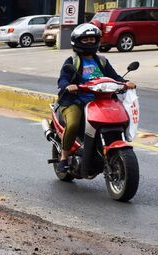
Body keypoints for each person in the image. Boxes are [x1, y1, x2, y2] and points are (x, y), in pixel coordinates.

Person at [56, 23, 136, 173]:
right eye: (86, 40)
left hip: (101, 100)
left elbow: (115, 77)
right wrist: (69, 86)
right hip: (76, 100)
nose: (90, 42)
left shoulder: (102, 61)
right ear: (77, 41)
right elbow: (63, 79)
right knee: (73, 124)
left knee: (119, 116)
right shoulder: (72, 61)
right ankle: (64, 157)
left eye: (93, 39)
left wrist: (125, 83)